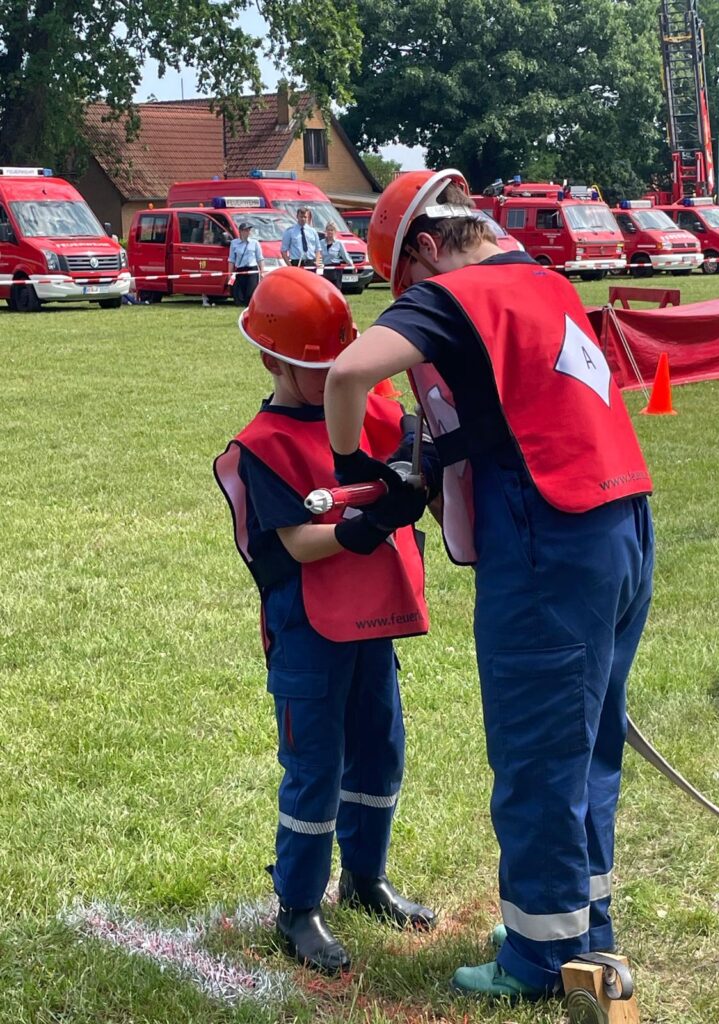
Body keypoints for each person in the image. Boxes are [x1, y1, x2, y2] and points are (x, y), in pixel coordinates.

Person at [323, 170, 655, 1000]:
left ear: (427, 250)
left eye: (403, 285)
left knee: (538, 753)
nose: (406, 305)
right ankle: (587, 931)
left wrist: (355, 466)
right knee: (588, 751)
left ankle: (541, 960)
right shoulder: (545, 282)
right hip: (621, 527)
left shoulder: (456, 294)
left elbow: (346, 377)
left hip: (547, 542)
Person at [213, 267, 439, 975]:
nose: (331, 378)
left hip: (373, 621)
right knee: (314, 766)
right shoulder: (263, 447)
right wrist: (367, 525)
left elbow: (412, 442)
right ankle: (299, 907)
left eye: (337, 363)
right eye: (315, 369)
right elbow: (299, 544)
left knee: (380, 748)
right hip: (308, 630)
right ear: (270, 359)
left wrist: (410, 469)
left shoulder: (368, 401)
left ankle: (366, 879)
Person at [228, 221, 265, 307]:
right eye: (246, 230)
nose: (248, 232)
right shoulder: (234, 243)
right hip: (240, 270)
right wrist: (229, 274)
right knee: (239, 293)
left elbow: (260, 258)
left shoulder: (255, 243)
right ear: (240, 231)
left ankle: (250, 306)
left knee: (251, 292)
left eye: (249, 230)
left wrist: (262, 271)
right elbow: (231, 260)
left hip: (252, 270)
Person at [320, 222, 355, 290]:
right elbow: (318, 255)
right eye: (328, 229)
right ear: (326, 231)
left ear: (335, 231)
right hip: (326, 269)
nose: (330, 232)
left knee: (336, 290)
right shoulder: (321, 242)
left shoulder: (339, 243)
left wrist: (352, 265)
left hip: (336, 269)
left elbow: (345, 255)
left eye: (332, 230)